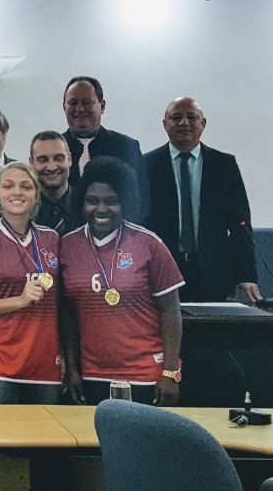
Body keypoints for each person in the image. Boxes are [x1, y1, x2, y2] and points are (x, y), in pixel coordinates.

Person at [60, 157, 184, 406]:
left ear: (125, 202)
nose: (101, 209)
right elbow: (68, 317)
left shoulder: (149, 244)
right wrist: (73, 370)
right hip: (91, 375)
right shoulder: (67, 245)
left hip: (145, 374)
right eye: (92, 201)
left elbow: (170, 310)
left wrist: (170, 372)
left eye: (111, 201)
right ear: (81, 203)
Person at [143, 97, 261, 303]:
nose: (184, 123)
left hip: (213, 273)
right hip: (161, 271)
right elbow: (139, 227)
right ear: (165, 124)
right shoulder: (146, 165)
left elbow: (240, 225)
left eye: (192, 117)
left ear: (203, 123)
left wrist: (246, 275)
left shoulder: (224, 165)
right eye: (176, 117)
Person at [0, 162, 62, 404]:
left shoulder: (52, 238)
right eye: (8, 186)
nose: (17, 192)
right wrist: (20, 300)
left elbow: (62, 305)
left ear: (36, 195)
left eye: (26, 186)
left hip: (44, 363)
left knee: (45, 441)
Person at [61, 76, 148, 218]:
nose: (80, 109)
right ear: (64, 107)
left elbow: (141, 201)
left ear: (102, 106)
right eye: (73, 103)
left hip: (117, 234)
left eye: (87, 102)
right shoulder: (53, 151)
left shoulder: (126, 147)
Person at [30, 131, 76, 234]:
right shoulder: (23, 212)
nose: (51, 167)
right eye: (43, 160)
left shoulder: (86, 206)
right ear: (31, 163)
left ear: (69, 159)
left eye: (58, 158)